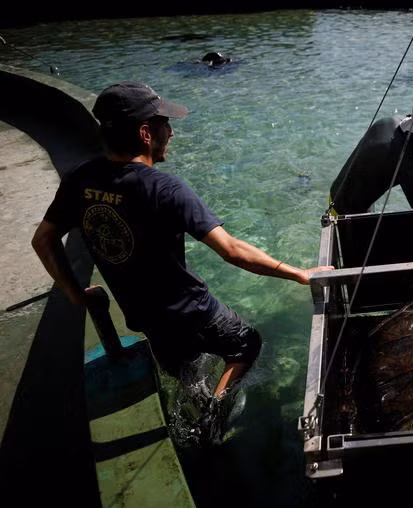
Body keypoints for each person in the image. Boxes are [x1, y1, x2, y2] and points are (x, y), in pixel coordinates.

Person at [31, 81, 332, 440]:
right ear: (146, 133)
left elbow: (43, 239)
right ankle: (216, 415)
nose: (170, 133)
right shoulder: (166, 190)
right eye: (164, 125)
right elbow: (231, 250)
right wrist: (299, 273)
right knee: (247, 343)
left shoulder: (80, 180)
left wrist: (76, 295)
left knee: (187, 372)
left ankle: (198, 410)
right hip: (191, 310)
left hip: (144, 316)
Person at [328, 95, 413, 216]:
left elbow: (388, 150)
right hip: (345, 212)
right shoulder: (408, 168)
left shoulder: (392, 122)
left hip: (339, 192)